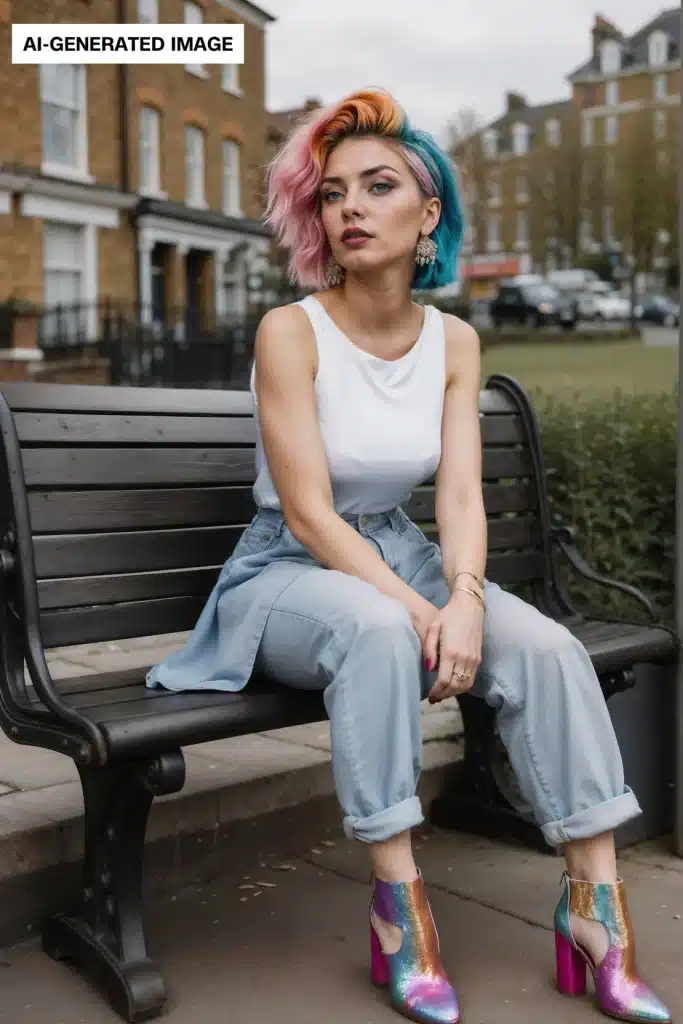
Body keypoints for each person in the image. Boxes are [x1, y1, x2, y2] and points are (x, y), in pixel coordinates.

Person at [147, 89, 671, 1024]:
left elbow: (460, 496)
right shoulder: (288, 331)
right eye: (334, 192)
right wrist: (421, 609)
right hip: (287, 571)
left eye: (377, 186)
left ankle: (595, 910)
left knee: (546, 649)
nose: (349, 207)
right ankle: (400, 911)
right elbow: (307, 513)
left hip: (404, 553)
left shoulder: (455, 341)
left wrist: (464, 596)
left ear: (427, 214)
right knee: (384, 629)